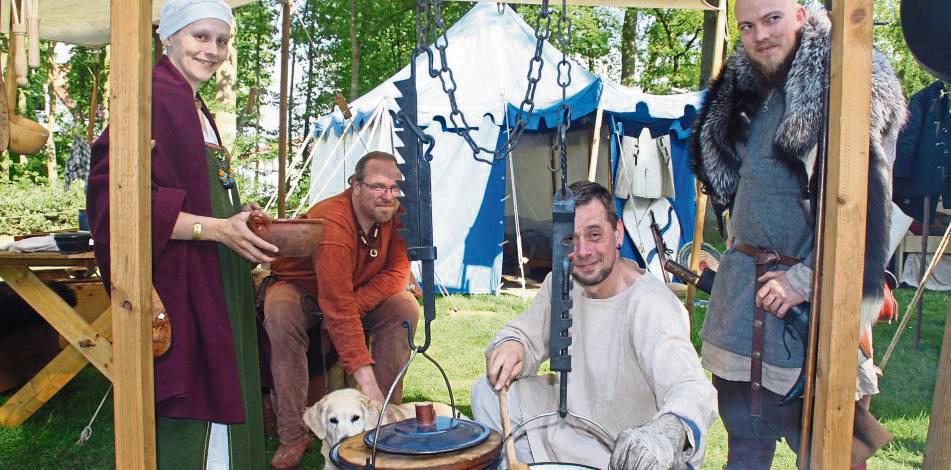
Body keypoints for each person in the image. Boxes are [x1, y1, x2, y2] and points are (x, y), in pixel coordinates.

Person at [690, 1, 906, 468]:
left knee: (833, 456)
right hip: (742, 305)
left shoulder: (845, 86)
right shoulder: (747, 95)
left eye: (772, 19)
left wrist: (804, 280)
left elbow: (869, 210)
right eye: (747, 26)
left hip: (814, 311)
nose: (760, 35)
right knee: (745, 452)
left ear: (803, 16)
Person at [86, 0, 276, 468]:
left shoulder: (191, 102)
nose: (212, 50)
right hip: (183, 280)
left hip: (217, 276)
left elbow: (191, 188)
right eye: (200, 36)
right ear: (167, 37)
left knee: (227, 380)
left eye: (221, 40)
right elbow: (115, 200)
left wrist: (236, 211)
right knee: (196, 397)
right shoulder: (152, 97)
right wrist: (214, 227)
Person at [470, 181, 717, 470]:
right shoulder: (563, 283)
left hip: (627, 451)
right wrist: (514, 345)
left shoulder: (650, 305)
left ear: (618, 233)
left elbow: (690, 387)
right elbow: (526, 334)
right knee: (487, 391)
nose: (583, 251)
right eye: (570, 239)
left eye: (594, 234)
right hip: (569, 425)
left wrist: (665, 433)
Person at [263, 151, 420, 469]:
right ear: (355, 186)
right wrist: (367, 382)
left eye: (394, 188)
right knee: (280, 312)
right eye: (377, 187)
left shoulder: (398, 215)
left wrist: (357, 306)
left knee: (405, 306)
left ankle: (384, 423)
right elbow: (335, 303)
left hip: (354, 292)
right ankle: (293, 435)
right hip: (302, 289)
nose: (387, 196)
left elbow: (397, 275)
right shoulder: (333, 222)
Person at [893, 80, 951, 224]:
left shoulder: (938, 105)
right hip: (919, 179)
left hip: (931, 181)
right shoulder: (922, 101)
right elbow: (908, 137)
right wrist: (901, 173)